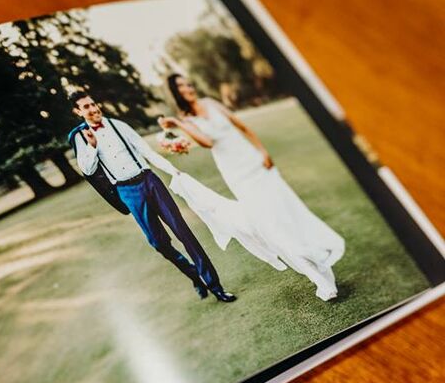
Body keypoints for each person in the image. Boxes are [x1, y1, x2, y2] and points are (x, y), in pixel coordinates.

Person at [160, 74, 344, 301]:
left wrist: (262, 151)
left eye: (188, 83)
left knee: (289, 213)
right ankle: (318, 279)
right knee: (271, 225)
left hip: (252, 159)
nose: (188, 87)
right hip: (236, 173)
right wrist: (179, 125)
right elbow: (207, 142)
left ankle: (319, 259)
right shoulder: (186, 119)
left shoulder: (210, 103)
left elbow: (241, 126)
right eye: (181, 86)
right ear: (176, 92)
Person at [69, 90, 236, 302]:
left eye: (93, 104)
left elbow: (147, 152)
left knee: (183, 231)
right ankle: (194, 274)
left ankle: (215, 285)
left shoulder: (119, 126)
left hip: (149, 181)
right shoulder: (80, 137)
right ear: (78, 111)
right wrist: (92, 146)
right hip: (126, 191)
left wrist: (172, 170)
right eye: (86, 107)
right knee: (159, 243)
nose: (93, 109)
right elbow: (88, 169)